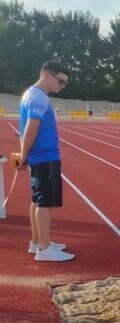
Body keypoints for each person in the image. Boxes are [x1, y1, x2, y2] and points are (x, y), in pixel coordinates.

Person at [17, 60, 74, 261]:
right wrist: (24, 154)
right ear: (48, 75)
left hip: (39, 157)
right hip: (45, 156)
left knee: (37, 200)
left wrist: (25, 154)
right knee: (45, 203)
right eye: (61, 81)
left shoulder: (30, 94)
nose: (62, 86)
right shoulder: (38, 97)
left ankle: (37, 242)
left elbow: (26, 128)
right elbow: (31, 128)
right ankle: (45, 248)